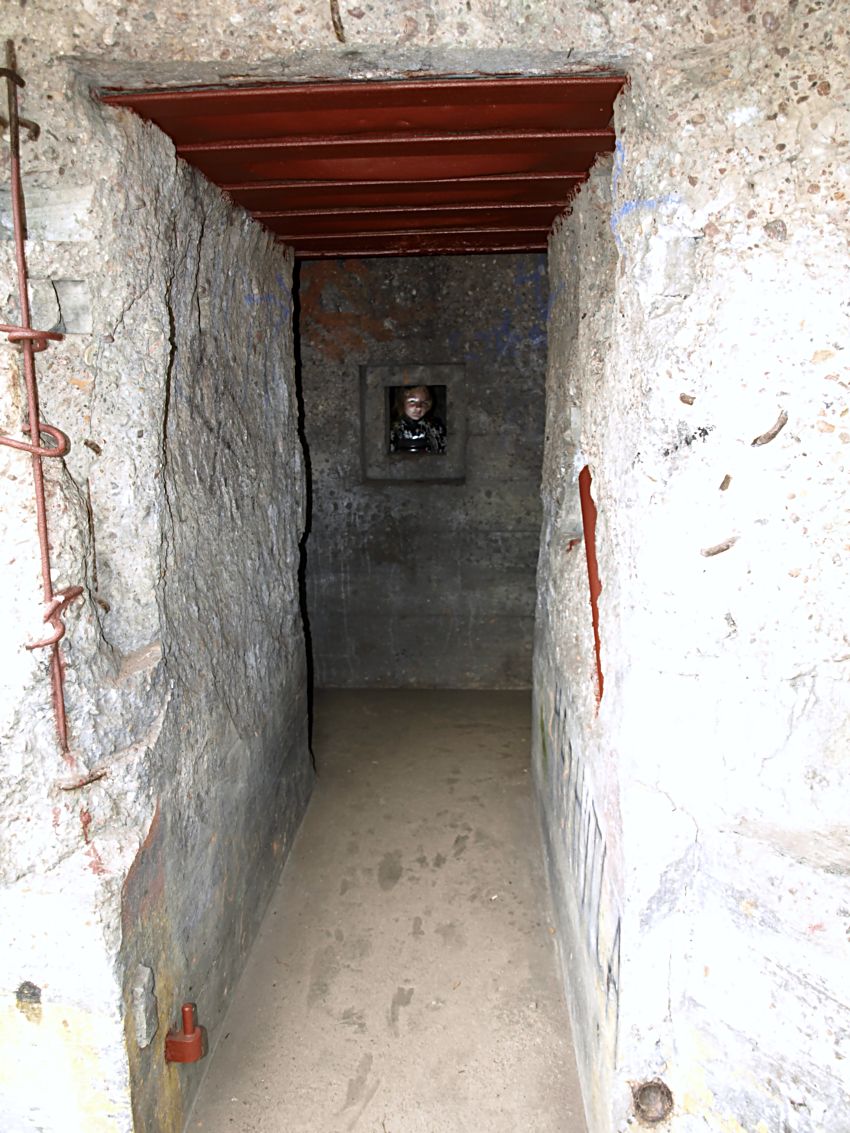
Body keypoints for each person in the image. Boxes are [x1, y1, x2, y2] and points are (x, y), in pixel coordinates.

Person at [389, 385, 446, 454]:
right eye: (412, 401)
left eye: (424, 402)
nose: (418, 407)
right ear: (402, 401)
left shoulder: (435, 427)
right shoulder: (391, 429)